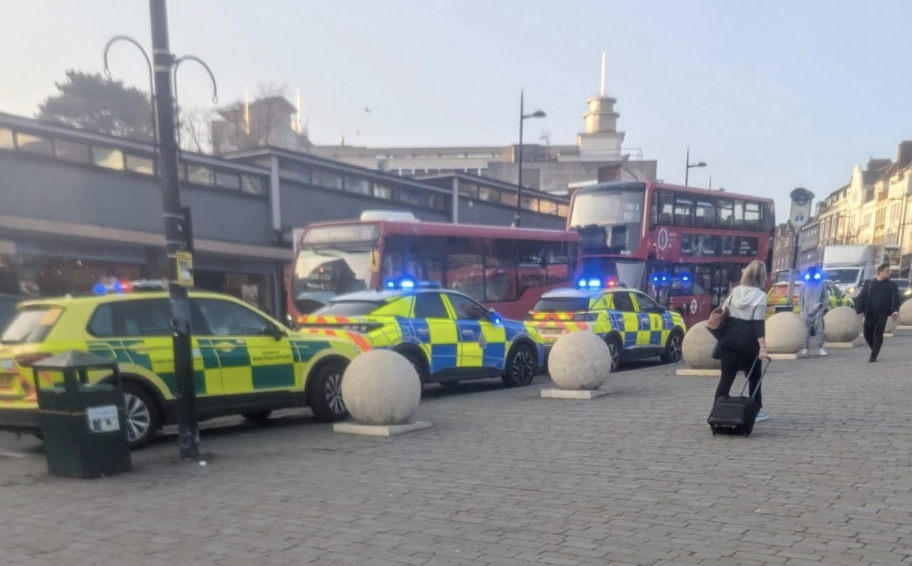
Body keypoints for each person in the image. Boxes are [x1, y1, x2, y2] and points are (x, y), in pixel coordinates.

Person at [714, 260, 770, 422]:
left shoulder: (735, 291)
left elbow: (724, 311)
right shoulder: (760, 296)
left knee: (726, 378)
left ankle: (717, 410)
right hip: (748, 343)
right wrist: (763, 349)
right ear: (762, 277)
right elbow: (758, 324)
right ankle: (756, 411)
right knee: (754, 377)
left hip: (728, 340)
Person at [855, 262, 900, 363]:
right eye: (887, 271)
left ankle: (873, 355)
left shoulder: (892, 285)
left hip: (883, 313)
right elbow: (861, 298)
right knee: (867, 334)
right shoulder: (870, 284)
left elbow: (896, 299)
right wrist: (860, 311)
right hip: (870, 313)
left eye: (889, 271)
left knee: (878, 334)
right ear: (880, 272)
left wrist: (895, 311)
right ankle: (875, 348)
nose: (889, 273)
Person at [798, 274, 829, 357]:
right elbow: (801, 298)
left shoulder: (821, 284)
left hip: (818, 310)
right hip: (806, 311)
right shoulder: (804, 284)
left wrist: (822, 308)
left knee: (819, 330)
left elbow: (825, 298)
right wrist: (801, 310)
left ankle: (820, 347)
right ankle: (805, 348)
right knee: (806, 331)